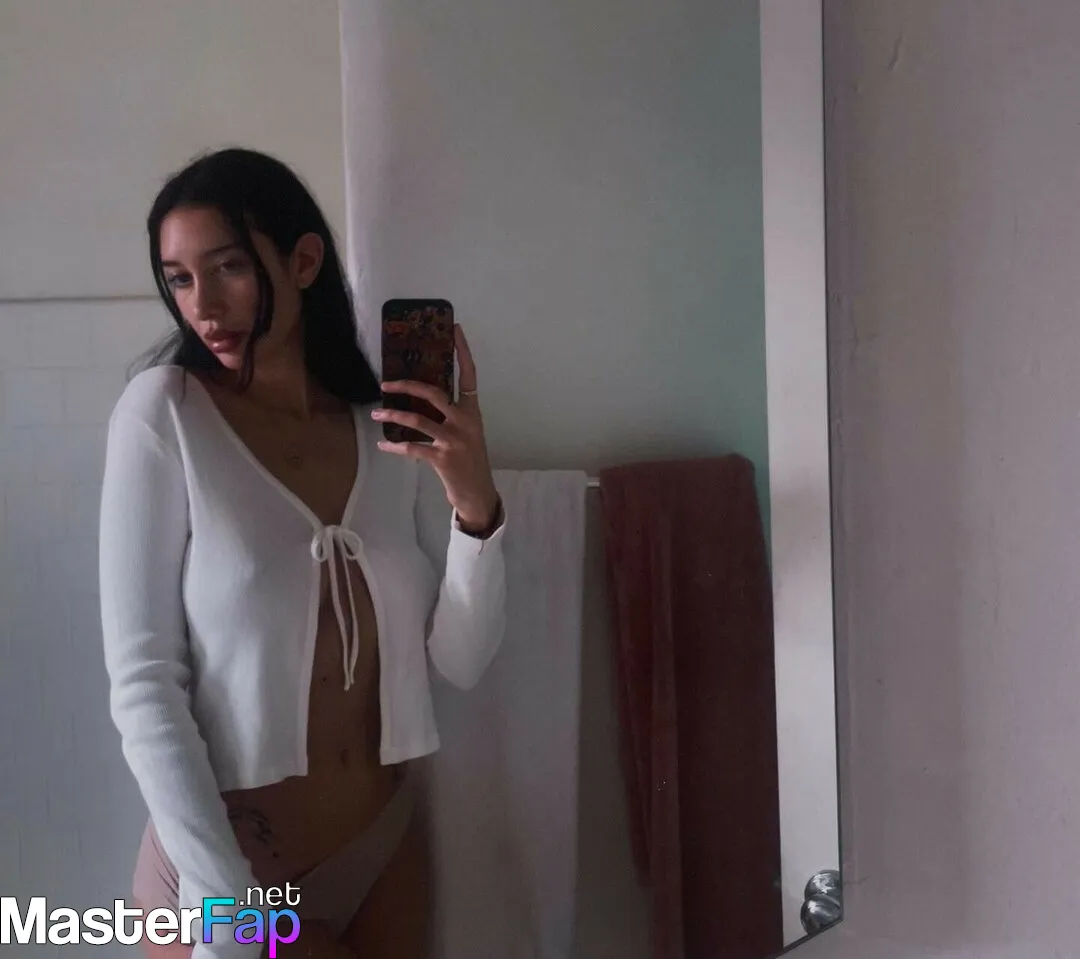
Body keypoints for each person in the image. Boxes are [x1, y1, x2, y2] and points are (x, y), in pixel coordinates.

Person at [98, 147, 508, 959]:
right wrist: (230, 909)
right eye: (179, 278)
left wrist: (475, 504)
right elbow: (143, 684)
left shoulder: (380, 430)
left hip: (382, 846)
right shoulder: (165, 414)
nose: (203, 305)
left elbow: (461, 660)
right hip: (230, 867)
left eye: (228, 267)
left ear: (304, 261)